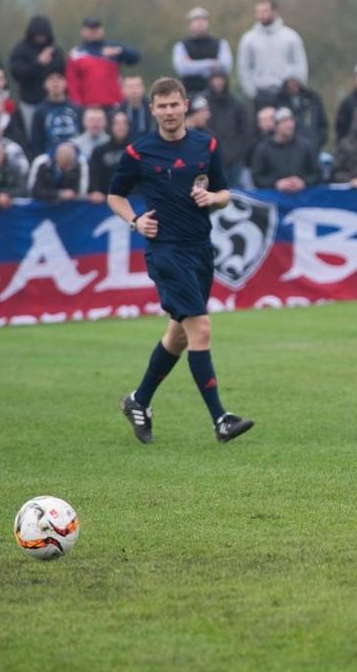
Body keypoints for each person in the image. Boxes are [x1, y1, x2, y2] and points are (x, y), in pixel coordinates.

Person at [106, 77, 253, 444]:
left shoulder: (207, 144)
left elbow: (224, 192)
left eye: (175, 104)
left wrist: (213, 200)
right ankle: (221, 419)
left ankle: (138, 401)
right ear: (152, 109)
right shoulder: (139, 152)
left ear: (185, 105)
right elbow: (115, 196)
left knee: (178, 335)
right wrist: (135, 221)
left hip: (200, 248)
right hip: (165, 251)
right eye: (162, 106)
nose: (169, 112)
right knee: (200, 328)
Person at [236, 0, 308, 109]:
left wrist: (297, 88)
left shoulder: (291, 37)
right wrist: (251, 92)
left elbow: (300, 63)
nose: (261, 15)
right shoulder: (248, 39)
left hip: (285, 93)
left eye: (265, 11)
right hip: (260, 94)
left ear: (274, 12)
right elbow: (244, 67)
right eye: (258, 12)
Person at [8, 15, 67, 133]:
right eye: (38, 35)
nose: (41, 38)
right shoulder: (20, 49)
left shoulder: (55, 51)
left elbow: (63, 73)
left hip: (53, 102)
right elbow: (16, 73)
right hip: (30, 102)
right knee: (31, 133)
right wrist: (38, 63)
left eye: (43, 35)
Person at [66, 17, 140, 109]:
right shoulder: (76, 53)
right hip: (89, 108)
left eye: (96, 29)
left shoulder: (113, 47)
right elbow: (72, 83)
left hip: (114, 105)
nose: (94, 32)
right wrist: (78, 106)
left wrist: (120, 51)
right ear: (83, 31)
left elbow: (135, 58)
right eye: (90, 29)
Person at [250, 108, 321, 191]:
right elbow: (257, 178)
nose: (289, 125)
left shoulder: (306, 147)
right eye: (284, 121)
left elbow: (317, 174)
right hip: (273, 199)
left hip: (302, 198)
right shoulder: (263, 149)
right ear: (276, 125)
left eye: (291, 121)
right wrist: (276, 183)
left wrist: (303, 182)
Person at [172, 7, 233, 97]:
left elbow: (225, 67)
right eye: (196, 20)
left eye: (203, 19)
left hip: (217, 95)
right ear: (189, 24)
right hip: (189, 93)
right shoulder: (181, 45)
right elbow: (182, 69)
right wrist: (211, 63)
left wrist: (192, 64)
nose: (200, 23)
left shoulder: (221, 43)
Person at [204, 70, 250, 187]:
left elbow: (245, 131)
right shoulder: (204, 104)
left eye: (221, 79)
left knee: (236, 193)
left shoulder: (237, 103)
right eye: (216, 79)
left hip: (236, 158)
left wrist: (239, 151)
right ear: (210, 81)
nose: (219, 82)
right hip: (213, 158)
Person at [29, 70, 82, 158]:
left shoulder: (77, 108)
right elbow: (36, 141)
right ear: (45, 85)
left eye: (59, 78)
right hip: (49, 157)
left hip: (75, 155)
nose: (55, 82)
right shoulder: (39, 111)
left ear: (65, 83)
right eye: (51, 79)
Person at [273, 75, 328, 151]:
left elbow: (323, 126)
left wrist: (316, 143)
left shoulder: (312, 98)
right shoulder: (278, 99)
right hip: (287, 151)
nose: (293, 84)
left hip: (311, 148)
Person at [89, 110, 131, 199]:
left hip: (133, 200)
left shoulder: (137, 150)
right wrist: (95, 191)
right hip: (105, 200)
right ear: (111, 126)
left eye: (124, 123)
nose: (121, 127)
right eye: (117, 123)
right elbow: (94, 175)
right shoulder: (99, 151)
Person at [120, 75, 154, 140]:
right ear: (123, 90)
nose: (134, 90)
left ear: (143, 88)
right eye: (130, 87)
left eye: (137, 86)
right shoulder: (118, 111)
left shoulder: (152, 108)